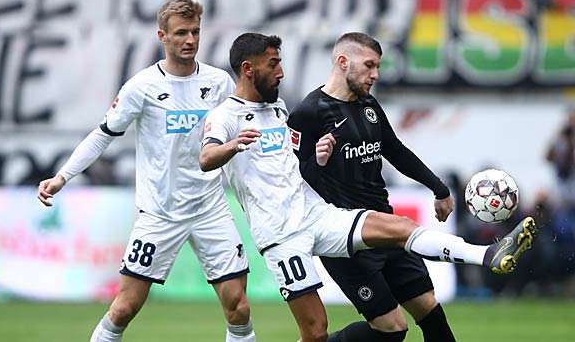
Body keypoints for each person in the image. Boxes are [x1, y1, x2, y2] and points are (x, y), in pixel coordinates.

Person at [199, 32, 538, 342]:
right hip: (279, 234)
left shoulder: (277, 109)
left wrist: (318, 159)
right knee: (316, 332)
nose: (282, 72)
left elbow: (298, 167)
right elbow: (206, 157)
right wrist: (232, 147)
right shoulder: (227, 116)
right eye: (274, 64)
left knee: (403, 232)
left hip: (318, 214)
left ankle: (488, 254)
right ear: (248, 68)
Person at [37, 0, 255, 342]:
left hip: (210, 210)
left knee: (238, 306)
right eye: (181, 33)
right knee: (124, 307)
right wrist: (62, 176)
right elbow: (102, 135)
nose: (190, 40)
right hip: (160, 212)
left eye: (195, 32)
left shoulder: (219, 83)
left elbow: (237, 142)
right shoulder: (142, 86)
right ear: (162, 37)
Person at [287, 32, 455, 342]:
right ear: (342, 62)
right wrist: (318, 161)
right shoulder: (308, 113)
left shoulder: (368, 105)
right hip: (344, 239)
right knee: (392, 330)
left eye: (377, 67)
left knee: (430, 310)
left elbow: (395, 150)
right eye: (369, 66)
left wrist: (438, 188)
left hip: (386, 227)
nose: (375, 75)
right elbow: (292, 178)